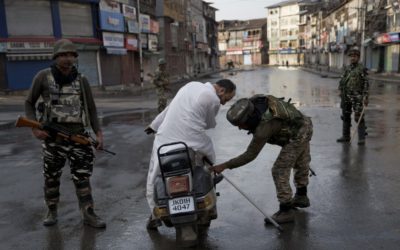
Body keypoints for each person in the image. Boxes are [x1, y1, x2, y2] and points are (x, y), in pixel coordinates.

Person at [24, 39, 106, 228]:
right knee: (51, 176)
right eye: (63, 55)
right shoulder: (43, 77)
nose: (68, 59)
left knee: (82, 177)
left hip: (78, 137)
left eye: (71, 55)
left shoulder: (82, 79)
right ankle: (51, 211)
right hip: (53, 139)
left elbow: (91, 109)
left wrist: (98, 134)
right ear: (55, 57)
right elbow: (29, 103)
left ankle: (88, 214)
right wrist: (35, 128)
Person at [144, 79, 236, 229]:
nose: (225, 103)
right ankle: (210, 181)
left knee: (153, 176)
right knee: (209, 158)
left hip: (164, 140)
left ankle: (154, 214)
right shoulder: (213, 99)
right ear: (221, 91)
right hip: (190, 140)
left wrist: (154, 125)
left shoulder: (190, 85)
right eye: (227, 98)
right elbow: (209, 124)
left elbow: (170, 107)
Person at [210, 94, 313, 224]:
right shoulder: (256, 101)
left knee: (279, 169)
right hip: (302, 122)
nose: (240, 128)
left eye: (241, 124)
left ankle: (286, 210)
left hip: (299, 131)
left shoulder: (263, 128)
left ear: (249, 118)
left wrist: (225, 165)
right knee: (300, 161)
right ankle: (301, 197)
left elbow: (250, 155)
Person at [337, 46, 369, 145]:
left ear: (358, 57)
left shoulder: (361, 69)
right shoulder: (346, 69)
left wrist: (366, 97)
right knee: (345, 116)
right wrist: (340, 91)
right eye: (351, 56)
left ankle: (361, 138)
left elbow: (366, 84)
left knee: (358, 116)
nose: (352, 58)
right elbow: (342, 81)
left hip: (357, 97)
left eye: (355, 56)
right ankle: (346, 136)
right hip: (346, 96)